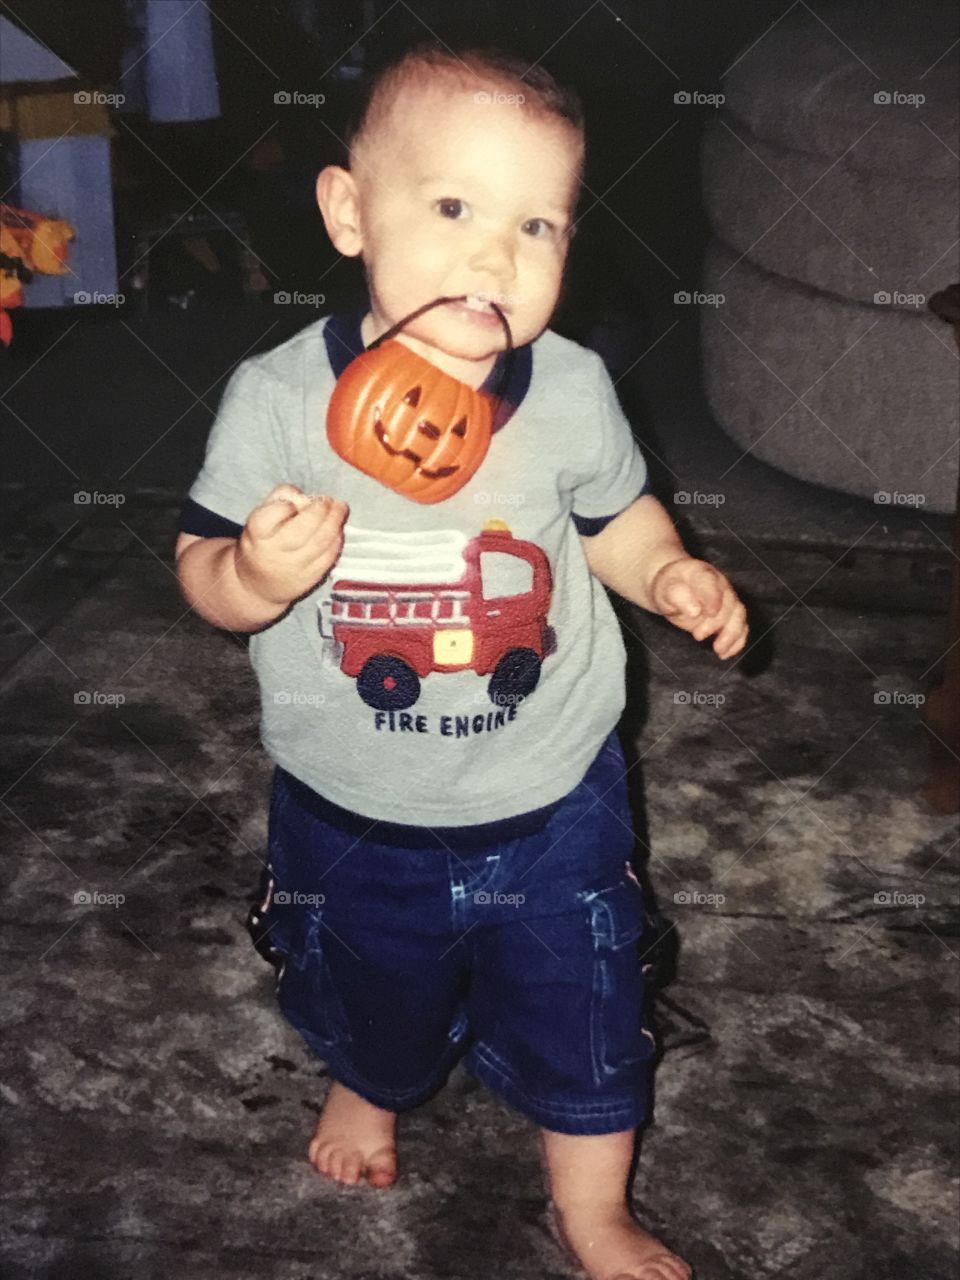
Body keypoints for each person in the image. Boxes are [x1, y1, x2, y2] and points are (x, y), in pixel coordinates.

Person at [176, 41, 748, 1280]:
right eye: (452, 207)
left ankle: (593, 1207)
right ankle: (369, 1085)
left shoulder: (574, 387)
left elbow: (614, 519)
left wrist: (666, 571)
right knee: (367, 974)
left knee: (585, 994)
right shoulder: (277, 399)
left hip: (552, 792)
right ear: (348, 212)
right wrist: (255, 578)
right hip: (351, 801)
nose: (495, 255)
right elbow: (202, 568)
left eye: (537, 223)